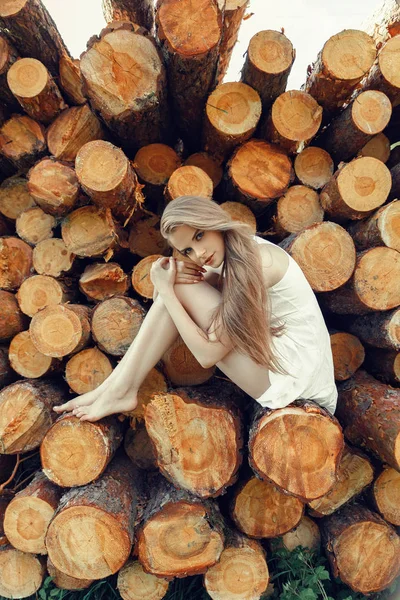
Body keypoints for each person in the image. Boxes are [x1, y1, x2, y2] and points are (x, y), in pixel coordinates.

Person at [54, 195, 337, 422]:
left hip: (297, 382)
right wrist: (170, 281)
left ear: (214, 222)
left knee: (174, 290)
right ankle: (112, 388)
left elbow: (207, 355)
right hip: (285, 363)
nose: (199, 254)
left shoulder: (258, 264)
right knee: (176, 287)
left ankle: (120, 389)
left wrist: (166, 289)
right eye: (187, 250)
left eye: (199, 236)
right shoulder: (235, 253)